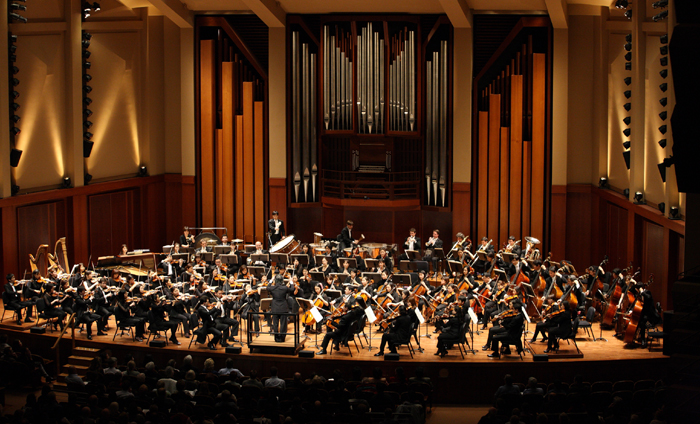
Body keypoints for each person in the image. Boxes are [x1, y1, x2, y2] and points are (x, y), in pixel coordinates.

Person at [269, 275, 296, 342]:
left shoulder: (272, 288)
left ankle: (276, 338)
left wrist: (271, 280)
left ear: (275, 281)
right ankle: (282, 338)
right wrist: (291, 282)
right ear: (282, 281)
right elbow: (292, 289)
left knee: (275, 324)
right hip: (283, 308)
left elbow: (267, 287)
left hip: (275, 308)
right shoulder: (285, 288)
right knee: (283, 323)